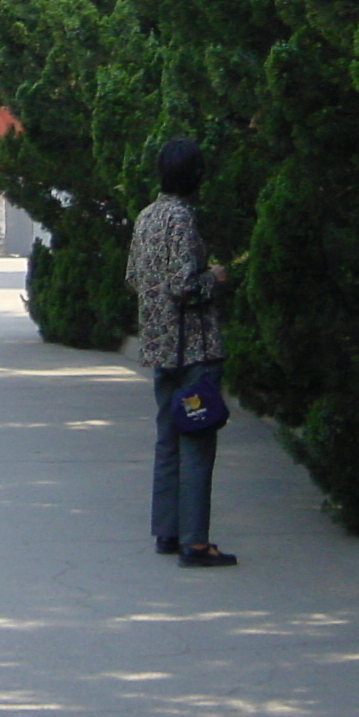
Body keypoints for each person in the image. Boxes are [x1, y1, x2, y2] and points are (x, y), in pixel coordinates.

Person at [127, 138, 234, 568]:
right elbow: (184, 285)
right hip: (193, 348)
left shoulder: (147, 216)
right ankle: (196, 542)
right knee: (198, 441)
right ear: (196, 176)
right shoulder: (184, 220)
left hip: (158, 347)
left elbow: (134, 276)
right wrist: (215, 276)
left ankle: (167, 531)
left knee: (167, 439)